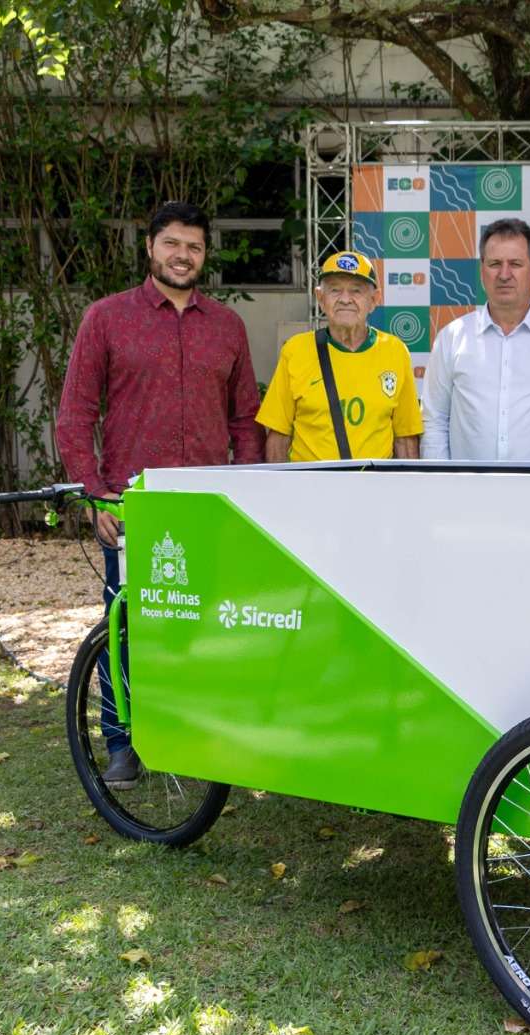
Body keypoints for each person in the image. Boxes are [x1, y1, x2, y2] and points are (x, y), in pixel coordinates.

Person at [55, 200, 262, 788]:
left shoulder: (227, 326)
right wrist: (95, 497)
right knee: (127, 624)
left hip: (206, 504)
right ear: (149, 247)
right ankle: (123, 741)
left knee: (208, 622)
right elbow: (74, 416)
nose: (183, 255)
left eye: (194, 247)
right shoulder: (106, 319)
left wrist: (243, 491)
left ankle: (201, 733)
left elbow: (245, 420)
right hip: (133, 503)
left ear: (204, 255)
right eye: (172, 243)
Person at [421, 218, 530, 461]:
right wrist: (442, 482)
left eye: (515, 264)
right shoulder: (452, 338)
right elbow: (434, 421)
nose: (504, 274)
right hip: (468, 494)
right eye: (495, 264)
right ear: (482, 270)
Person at [259, 251, 422, 461]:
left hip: (375, 490)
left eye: (356, 290)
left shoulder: (395, 351)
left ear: (374, 300)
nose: (345, 299)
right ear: (320, 298)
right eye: (335, 290)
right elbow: (278, 436)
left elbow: (405, 438)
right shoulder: (295, 350)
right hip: (310, 489)